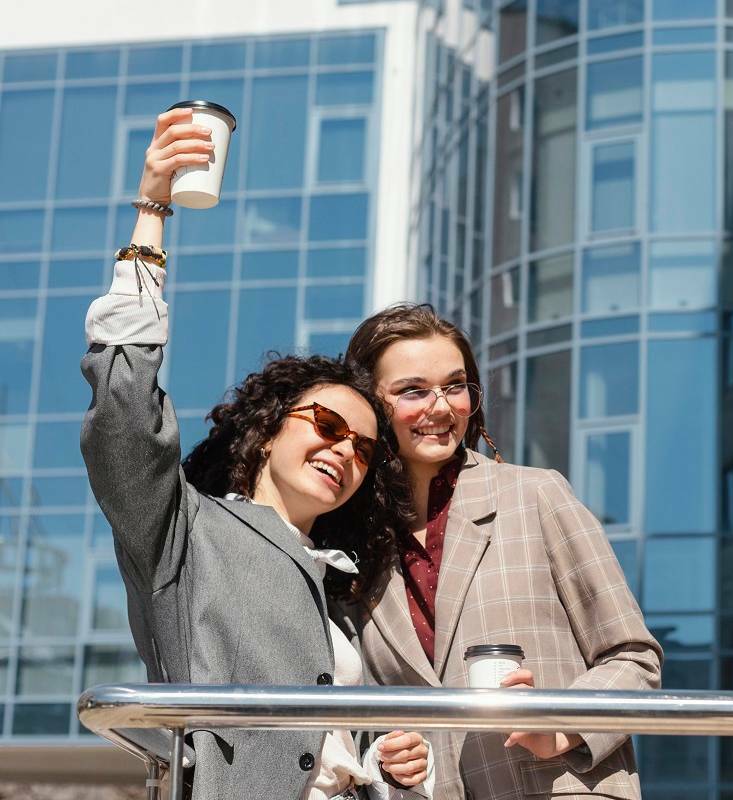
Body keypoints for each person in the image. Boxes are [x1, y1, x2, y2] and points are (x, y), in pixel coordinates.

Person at [81, 108, 435, 800]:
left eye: (364, 448)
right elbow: (123, 412)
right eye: (327, 424)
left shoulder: (337, 588)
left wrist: (388, 767)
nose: (344, 450)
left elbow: (324, 753)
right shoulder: (184, 532)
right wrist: (152, 212)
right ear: (269, 429)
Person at [343, 303, 662, 800]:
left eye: (455, 386)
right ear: (370, 403)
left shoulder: (536, 495)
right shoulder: (357, 542)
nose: (441, 407)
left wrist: (560, 726)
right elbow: (362, 708)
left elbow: (634, 657)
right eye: (413, 391)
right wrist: (387, 755)